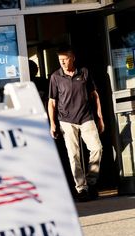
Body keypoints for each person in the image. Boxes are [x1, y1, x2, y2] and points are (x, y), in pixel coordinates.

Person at [48, 45, 104, 201]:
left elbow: (95, 96)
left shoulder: (84, 72)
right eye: (60, 60)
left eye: (65, 59)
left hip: (86, 117)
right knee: (74, 155)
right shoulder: (55, 77)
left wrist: (100, 118)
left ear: (73, 58)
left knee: (97, 148)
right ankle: (81, 189)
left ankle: (91, 181)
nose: (63, 63)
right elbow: (52, 102)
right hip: (66, 121)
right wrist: (52, 124)